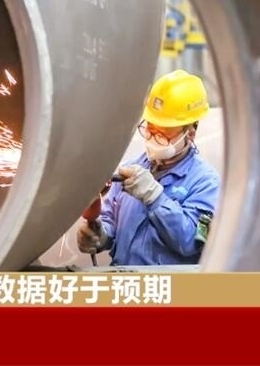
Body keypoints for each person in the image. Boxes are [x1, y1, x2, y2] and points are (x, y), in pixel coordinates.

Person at [77, 69, 221, 265]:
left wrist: (155, 198)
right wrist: (99, 235)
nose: (153, 138)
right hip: (125, 281)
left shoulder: (206, 183)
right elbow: (110, 222)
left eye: (163, 132)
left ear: (190, 133)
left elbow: (190, 241)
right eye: (150, 129)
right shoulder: (131, 169)